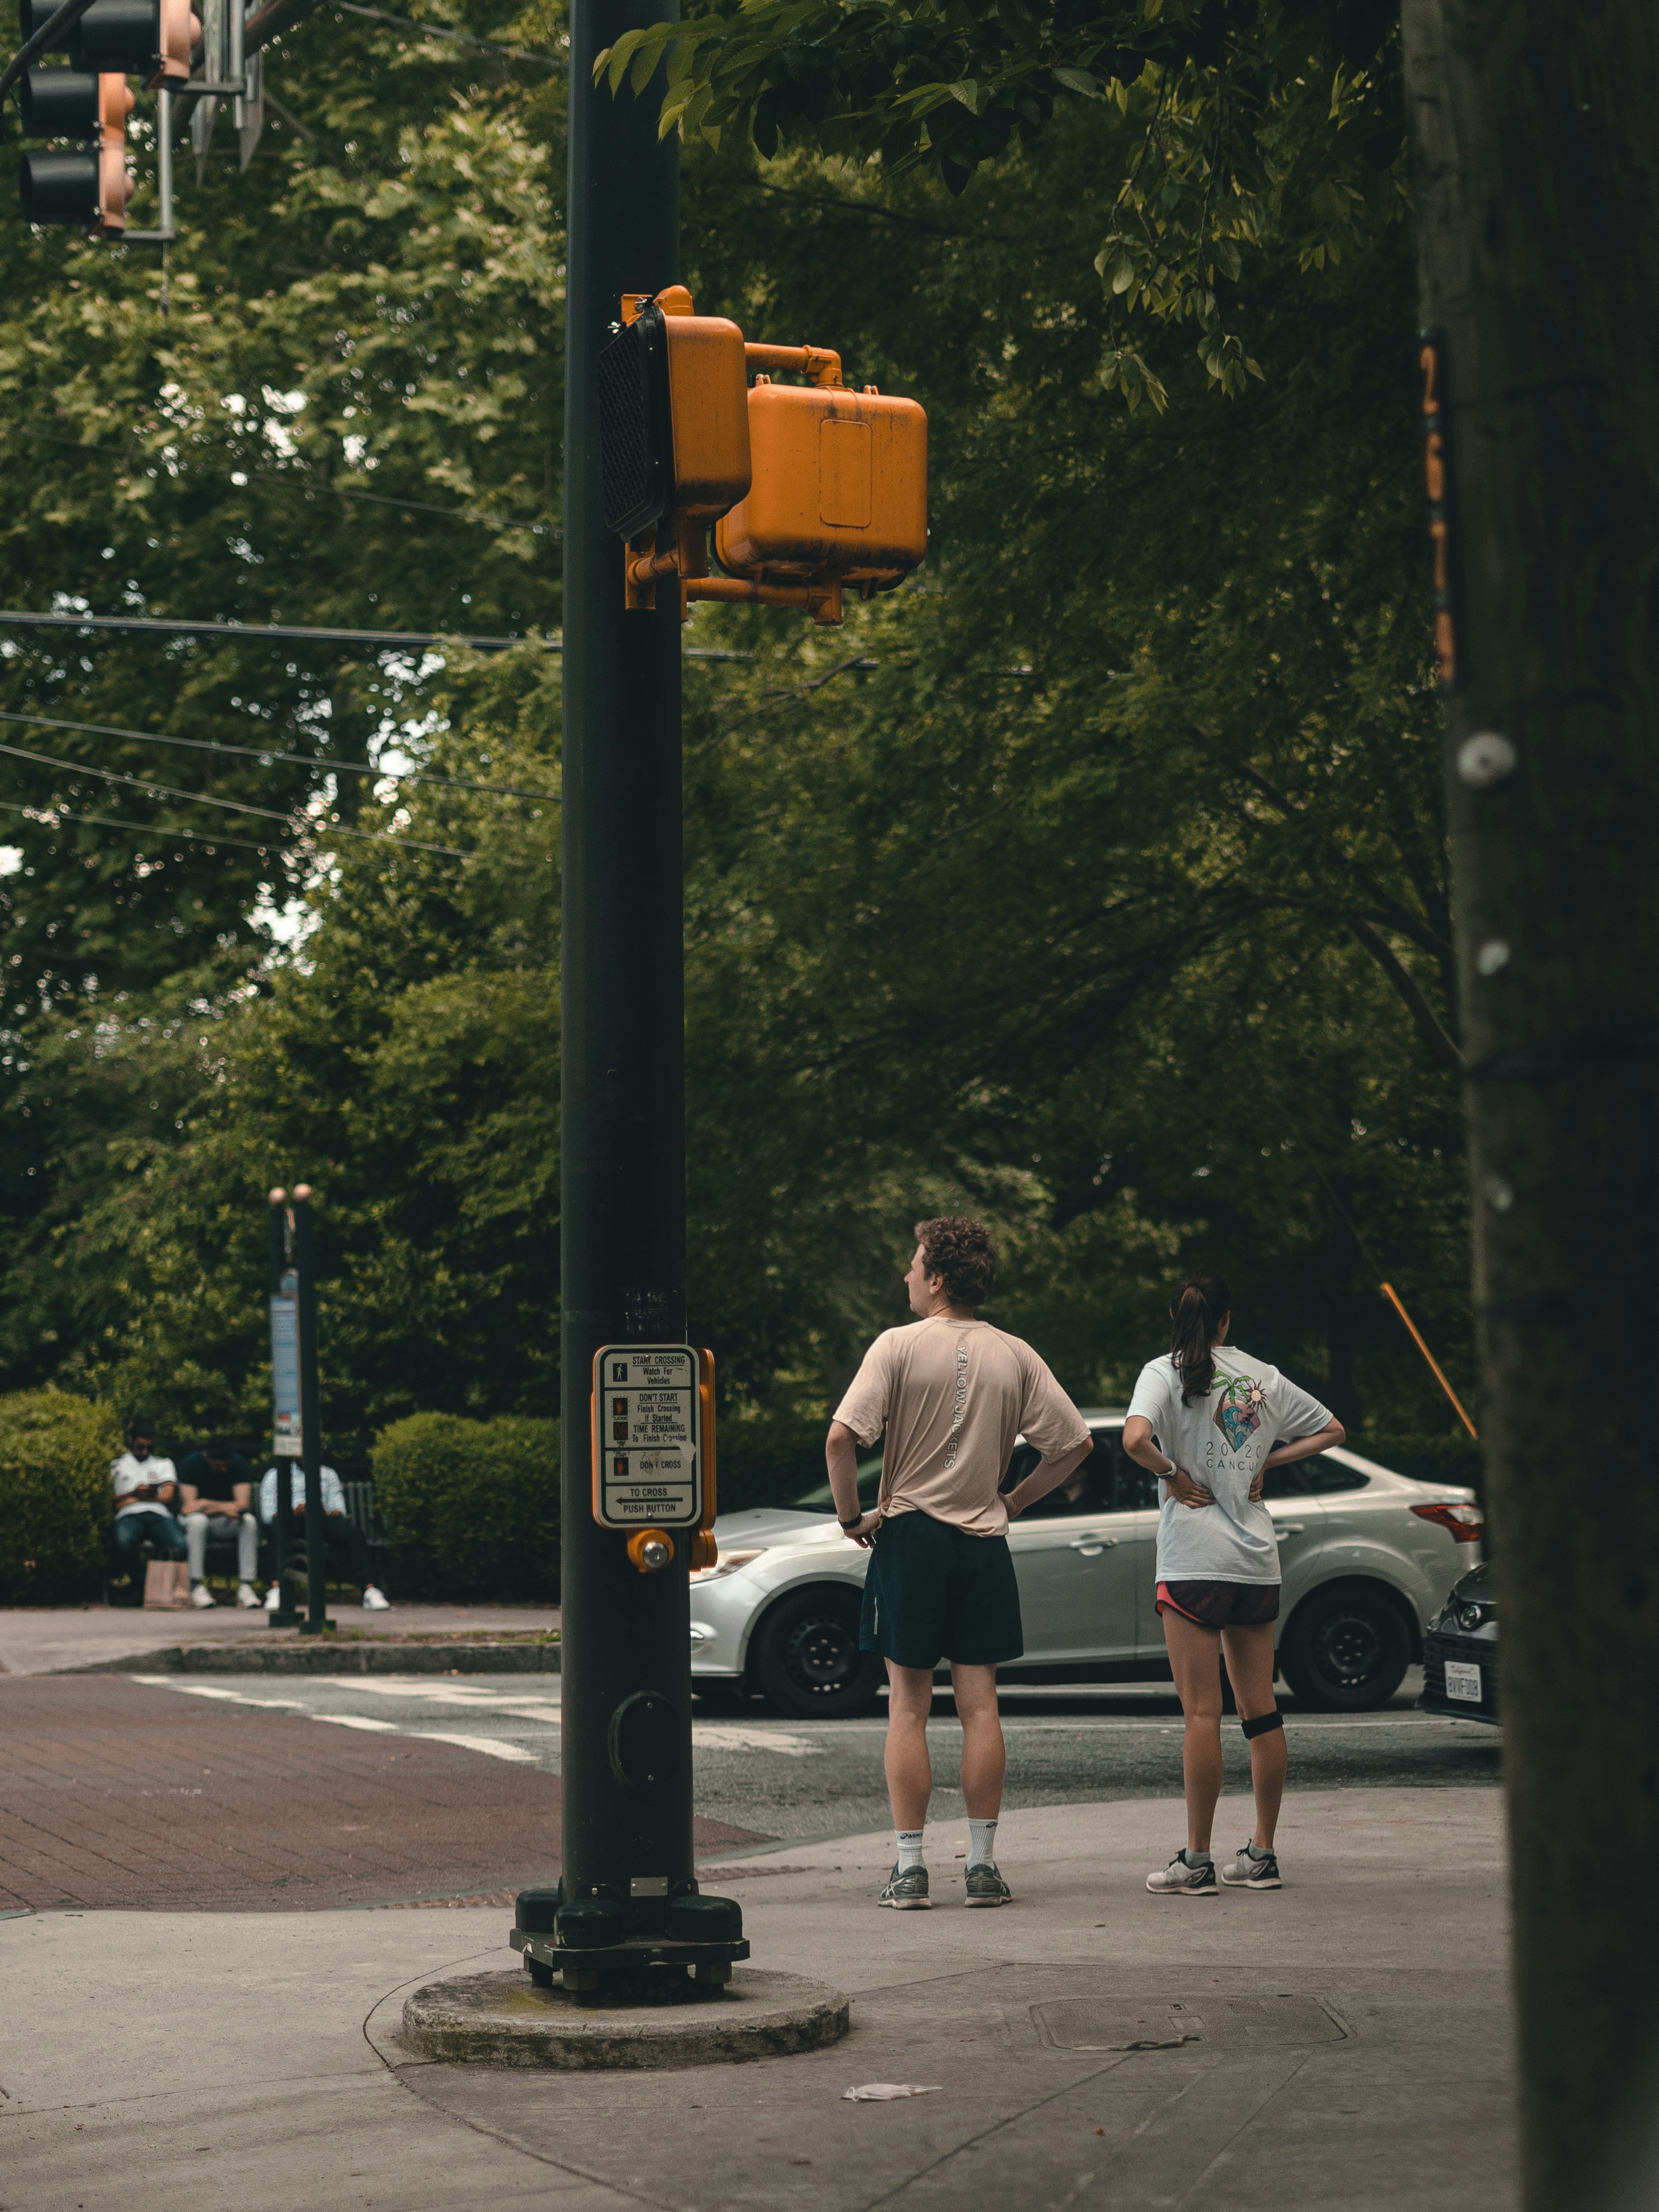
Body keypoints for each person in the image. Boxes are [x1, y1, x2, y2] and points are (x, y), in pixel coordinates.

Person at [827, 1216, 1093, 1910]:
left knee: (908, 1708)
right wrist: (1013, 1499)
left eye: (914, 1265)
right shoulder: (1016, 1353)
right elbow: (1072, 1446)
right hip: (981, 1543)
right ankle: (981, 1867)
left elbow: (839, 1439)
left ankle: (910, 1870)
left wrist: (852, 1518)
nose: (906, 1275)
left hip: (911, 1539)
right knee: (980, 1706)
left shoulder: (897, 1346)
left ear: (938, 1277)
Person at [1123, 1272, 1345, 1896]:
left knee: (1201, 1712)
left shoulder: (1161, 1372)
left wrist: (1172, 1472)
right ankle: (1262, 1854)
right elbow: (1332, 1429)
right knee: (1261, 1709)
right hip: (1254, 1558)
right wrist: (1265, 1462)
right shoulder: (1264, 1377)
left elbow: (1134, 1439)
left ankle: (1195, 1860)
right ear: (1226, 1320)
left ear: (1177, 1316)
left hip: (1192, 1559)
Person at [258, 1461, 391, 1611]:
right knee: (276, 1532)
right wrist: (295, 1511)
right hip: (291, 1521)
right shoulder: (274, 1476)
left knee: (355, 1535)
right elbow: (268, 1516)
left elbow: (339, 1510)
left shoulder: (328, 1474)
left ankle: (370, 1590)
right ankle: (277, 1590)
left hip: (322, 1521)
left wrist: (322, 1510)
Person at [176, 1437, 261, 1609]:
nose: (223, 1469)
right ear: (207, 1456)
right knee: (198, 1521)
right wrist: (223, 1508)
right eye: (218, 1465)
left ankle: (246, 1587)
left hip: (225, 1522)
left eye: (226, 1465)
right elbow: (188, 1508)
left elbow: (243, 1504)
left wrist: (205, 1504)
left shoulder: (238, 1464)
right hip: (197, 1521)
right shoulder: (191, 1464)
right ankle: (197, 1586)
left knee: (249, 1522)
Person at [109, 1417, 187, 1579]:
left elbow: (168, 1497)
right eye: (140, 1447)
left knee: (180, 1544)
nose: (145, 1452)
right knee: (123, 1542)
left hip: (159, 1514)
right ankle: (141, 1583)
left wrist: (135, 1499)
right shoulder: (117, 1465)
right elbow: (114, 1503)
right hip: (129, 1515)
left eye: (150, 1448)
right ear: (130, 1440)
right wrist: (134, 1494)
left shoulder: (163, 1463)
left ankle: (159, 1584)